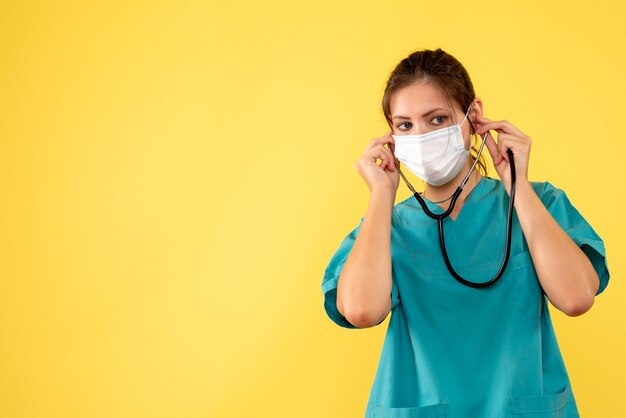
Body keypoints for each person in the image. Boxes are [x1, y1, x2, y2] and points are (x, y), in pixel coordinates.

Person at [321, 48, 610, 418]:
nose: (421, 135)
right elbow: (361, 310)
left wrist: (515, 183)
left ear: (472, 116)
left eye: (437, 118)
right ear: (391, 136)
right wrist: (381, 194)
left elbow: (576, 298)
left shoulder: (537, 203)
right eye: (405, 125)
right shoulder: (385, 228)